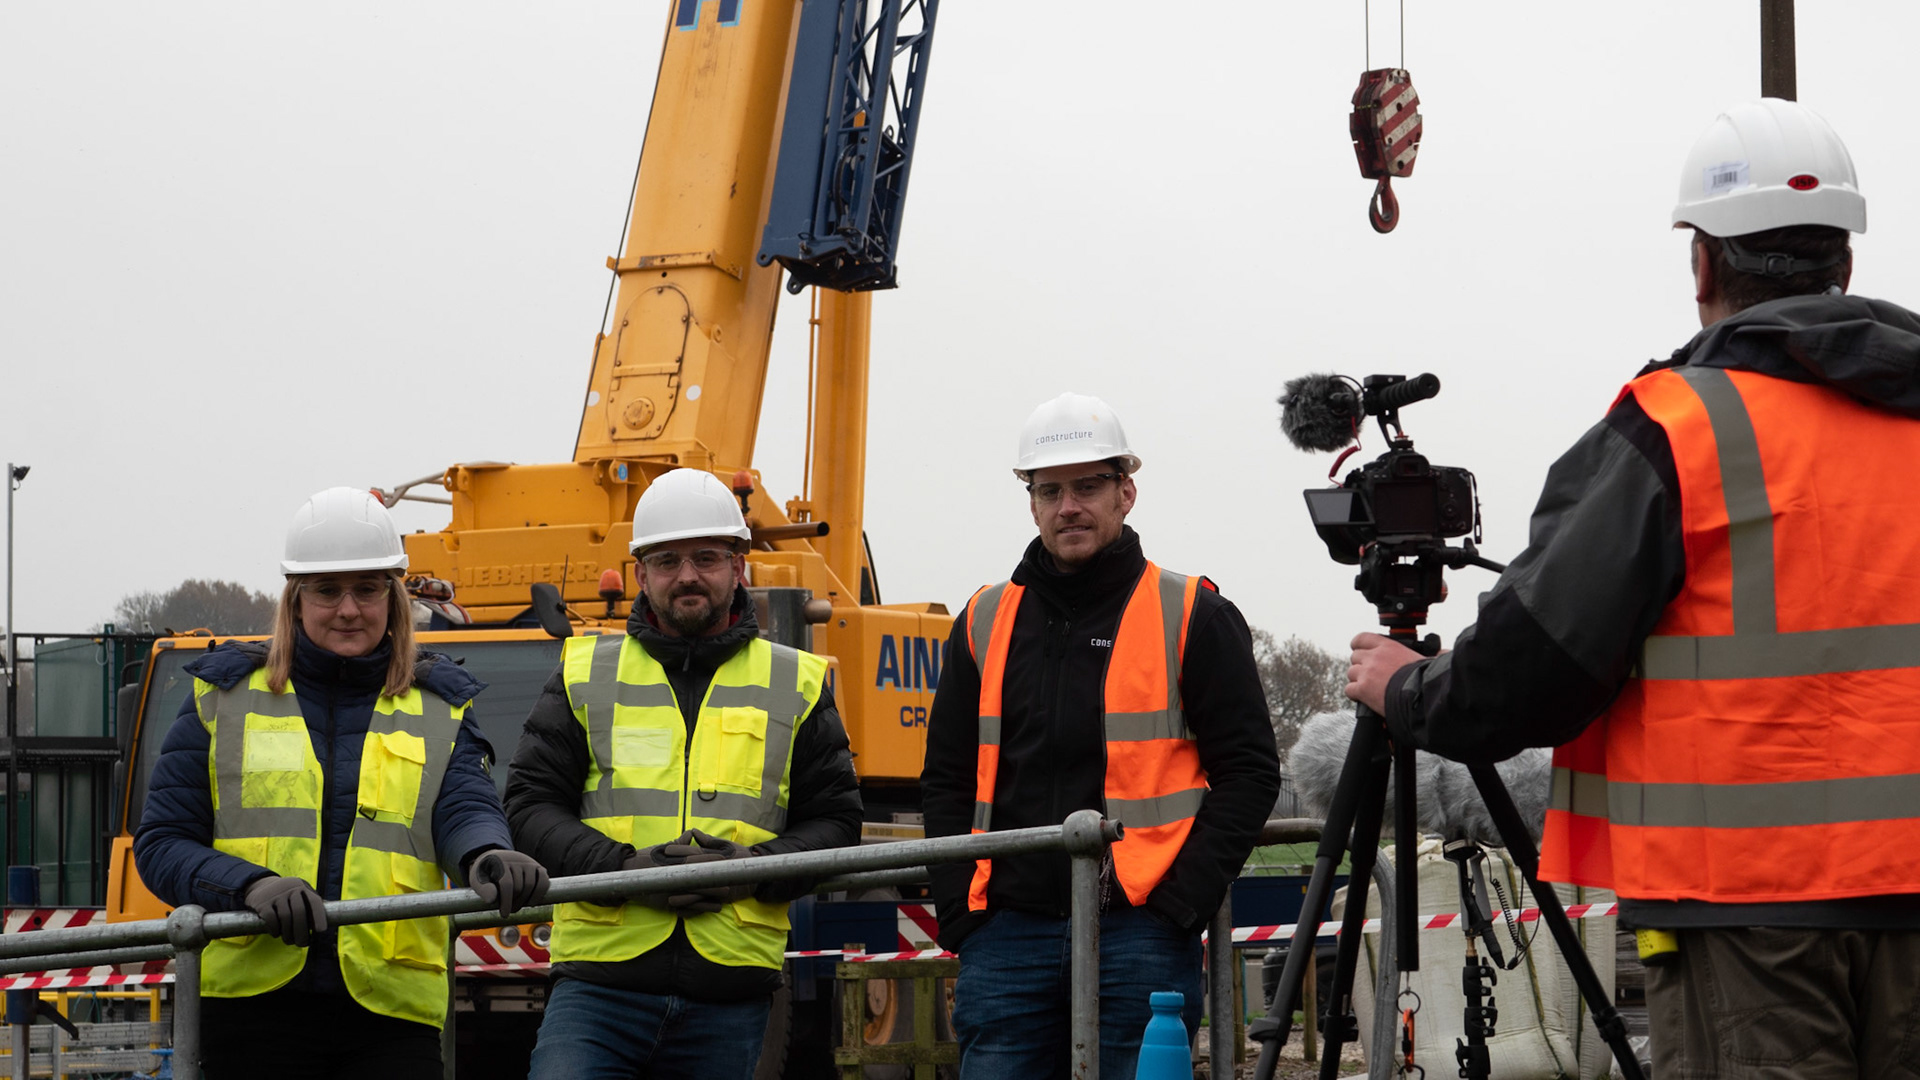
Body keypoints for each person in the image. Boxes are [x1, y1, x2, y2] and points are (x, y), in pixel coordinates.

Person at [1345, 98, 1920, 1078]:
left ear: (1703, 261)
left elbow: (1534, 664)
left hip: (1744, 918)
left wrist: (1406, 689)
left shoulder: (1682, 427)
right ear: (1847, 263)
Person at [921, 392, 1281, 1078]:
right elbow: (945, 779)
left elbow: (1251, 773)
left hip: (1140, 929)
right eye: (1050, 490)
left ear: (1126, 493)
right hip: (1007, 935)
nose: (1069, 507)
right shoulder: (983, 619)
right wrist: (962, 912)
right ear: (1031, 503)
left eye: (1088, 487)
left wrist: (1179, 906)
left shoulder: (1192, 613)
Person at [135, 486, 548, 1079]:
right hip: (253, 1011)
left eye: (367, 588)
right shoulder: (219, 696)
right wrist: (250, 886)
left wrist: (488, 854)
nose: (348, 609)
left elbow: (463, 809)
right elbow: (163, 844)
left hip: (390, 1013)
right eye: (327, 590)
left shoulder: (442, 705)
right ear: (296, 600)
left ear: (393, 597)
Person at [505, 467, 861, 1080]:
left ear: (738, 566)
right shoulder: (583, 671)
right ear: (640, 573)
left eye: (706, 557)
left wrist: (750, 872)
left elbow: (836, 824)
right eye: (667, 561)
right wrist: (621, 871)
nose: (688, 575)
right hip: (598, 986)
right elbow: (530, 806)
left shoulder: (797, 681)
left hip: (730, 993)